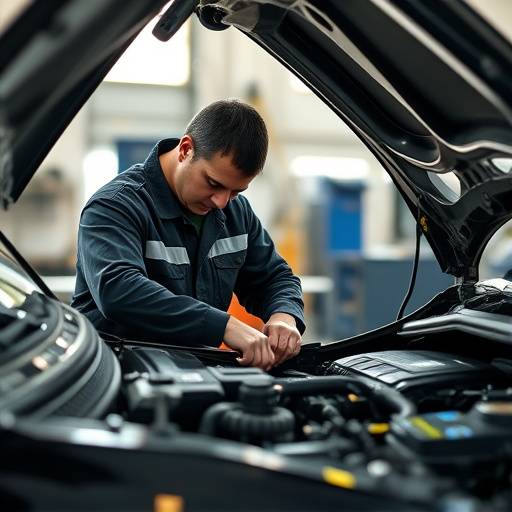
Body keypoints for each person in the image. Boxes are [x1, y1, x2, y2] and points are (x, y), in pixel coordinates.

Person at [71, 99, 305, 370]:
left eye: (236, 191)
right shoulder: (115, 206)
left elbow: (273, 277)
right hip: (113, 378)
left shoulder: (235, 212)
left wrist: (284, 317)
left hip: (195, 377)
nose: (221, 201)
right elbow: (119, 290)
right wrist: (225, 327)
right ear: (185, 150)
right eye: (213, 183)